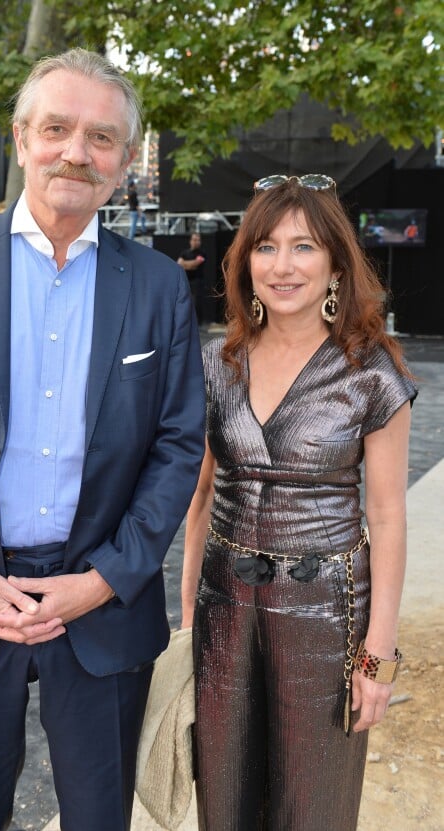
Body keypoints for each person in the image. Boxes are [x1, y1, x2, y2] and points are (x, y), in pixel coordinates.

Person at [0, 48, 205, 831]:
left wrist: (104, 578)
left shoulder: (155, 285)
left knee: (99, 816)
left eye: (102, 137)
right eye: (57, 128)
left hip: (101, 604)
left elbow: (178, 445)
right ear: (21, 138)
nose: (76, 152)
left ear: (123, 161)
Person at [181, 173, 417, 831]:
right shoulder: (216, 363)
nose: (282, 265)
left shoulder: (371, 372)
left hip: (327, 617)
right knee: (223, 801)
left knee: (311, 807)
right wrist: (186, 621)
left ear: (337, 265)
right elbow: (201, 498)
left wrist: (378, 656)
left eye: (304, 247)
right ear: (245, 261)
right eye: (265, 247)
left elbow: (389, 516)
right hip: (223, 610)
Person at [177, 231, 206, 323]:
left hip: (197, 282)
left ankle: (197, 324)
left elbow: (195, 265)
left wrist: (185, 264)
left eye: (198, 240)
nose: (196, 242)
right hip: (186, 281)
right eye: (194, 240)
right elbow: (179, 264)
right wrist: (189, 264)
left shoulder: (202, 253)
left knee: (196, 303)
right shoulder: (184, 252)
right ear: (190, 241)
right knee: (185, 302)